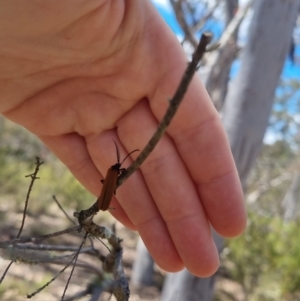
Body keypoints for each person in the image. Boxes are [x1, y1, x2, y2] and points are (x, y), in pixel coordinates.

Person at [0, 0, 246, 277]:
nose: (119, 166)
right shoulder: (112, 172)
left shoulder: (113, 173)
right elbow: (113, 179)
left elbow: (113, 180)